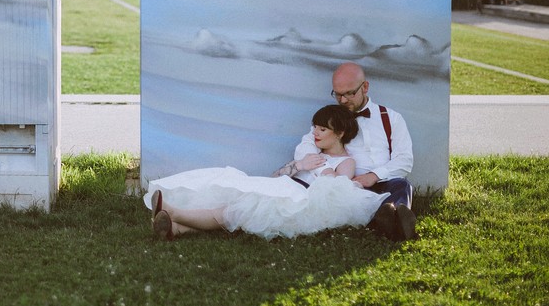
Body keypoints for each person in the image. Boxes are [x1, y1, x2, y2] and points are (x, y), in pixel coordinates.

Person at [146, 105, 389, 240]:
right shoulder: (310, 153)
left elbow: (339, 192)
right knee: (233, 191)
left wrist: (327, 173)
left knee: (235, 209)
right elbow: (276, 176)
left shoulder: (344, 162)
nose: (315, 133)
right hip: (283, 186)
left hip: (300, 200)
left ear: (340, 134)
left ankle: (173, 211)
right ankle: (177, 228)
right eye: (314, 127)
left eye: (322, 129)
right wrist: (301, 165)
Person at [294, 62, 416, 241]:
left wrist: (374, 176)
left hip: (383, 181)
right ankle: (392, 222)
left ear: (365, 87)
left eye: (349, 94)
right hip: (349, 187)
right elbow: (305, 148)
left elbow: (405, 159)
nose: (343, 101)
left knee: (403, 186)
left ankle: (392, 214)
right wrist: (327, 172)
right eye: (338, 94)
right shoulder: (331, 118)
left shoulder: (391, 118)